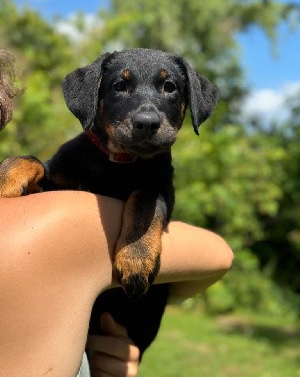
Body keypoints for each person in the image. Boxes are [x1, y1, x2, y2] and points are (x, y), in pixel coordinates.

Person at [0, 50, 234, 377]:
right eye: (120, 88)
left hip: (118, 336)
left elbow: (161, 203)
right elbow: (46, 185)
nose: (147, 115)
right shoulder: (74, 159)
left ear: (189, 104)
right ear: (93, 99)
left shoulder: (154, 179)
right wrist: (19, 169)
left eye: (169, 89)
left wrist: (141, 224)